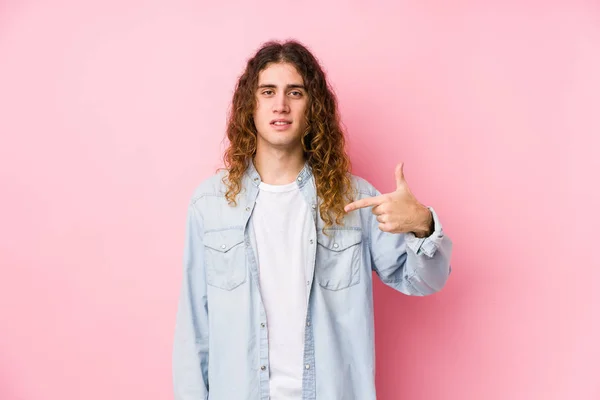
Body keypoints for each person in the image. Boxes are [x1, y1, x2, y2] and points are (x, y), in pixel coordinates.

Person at [172, 39, 452, 400]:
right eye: (268, 91)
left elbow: (424, 282)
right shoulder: (210, 205)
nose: (281, 105)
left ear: (313, 107)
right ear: (250, 106)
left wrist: (422, 225)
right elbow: (195, 331)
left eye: (296, 92)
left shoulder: (354, 199)